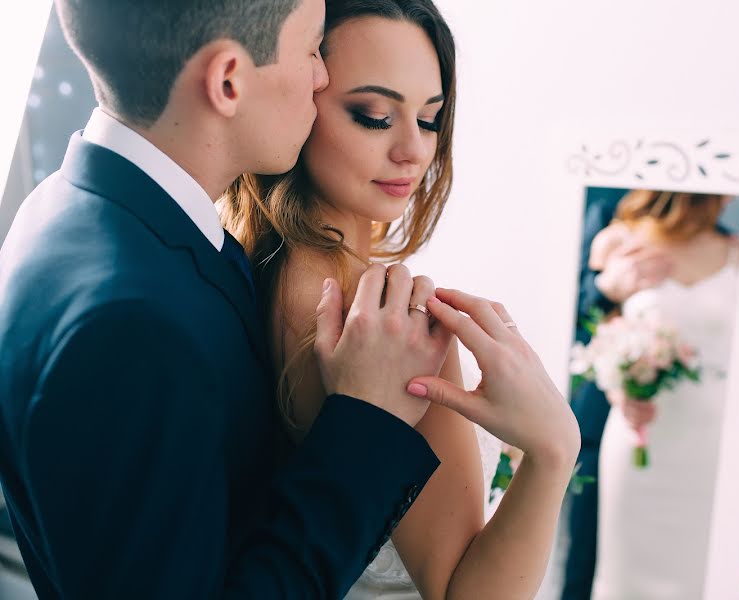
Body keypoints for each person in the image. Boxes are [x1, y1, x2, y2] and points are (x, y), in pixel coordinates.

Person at [0, 1, 449, 597]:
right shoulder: (129, 323)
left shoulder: (70, 204)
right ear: (229, 80)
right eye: (312, 49)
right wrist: (368, 421)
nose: (321, 79)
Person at [220, 1, 580, 598]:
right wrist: (552, 450)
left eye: (431, 118)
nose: (414, 150)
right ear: (299, 94)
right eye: (374, 116)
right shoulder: (382, 321)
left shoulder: (255, 264)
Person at [590, 190, 739, 600]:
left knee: (700, 562)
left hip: (712, 438)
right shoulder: (619, 240)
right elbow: (591, 332)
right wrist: (616, 385)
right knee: (624, 561)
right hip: (639, 427)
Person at [560, 190, 674, 600]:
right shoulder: (607, 207)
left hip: (688, 423)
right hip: (601, 411)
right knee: (587, 549)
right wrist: (606, 284)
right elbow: (567, 306)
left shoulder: (726, 243)